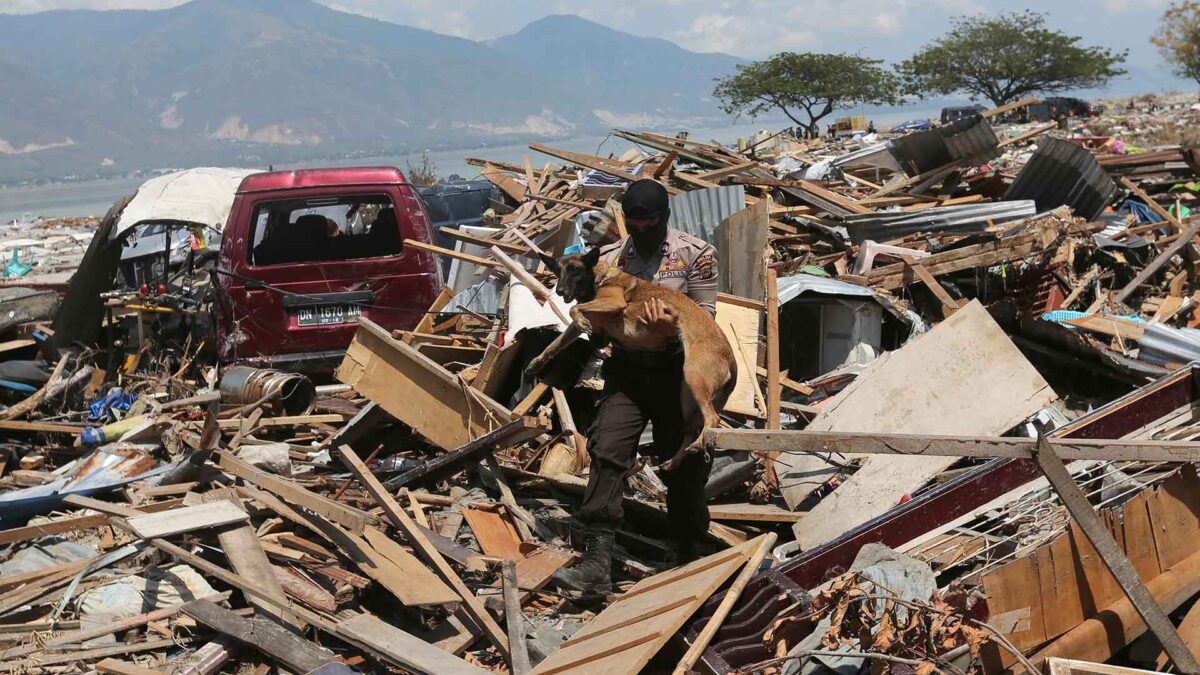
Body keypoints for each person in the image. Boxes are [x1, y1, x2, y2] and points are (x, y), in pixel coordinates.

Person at [553, 179, 719, 596]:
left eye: (650, 218)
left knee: (684, 460)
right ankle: (596, 562)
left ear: (664, 216)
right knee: (607, 451)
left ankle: (685, 552)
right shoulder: (607, 259)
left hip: (675, 371)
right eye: (635, 219)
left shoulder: (695, 254)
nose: (642, 226)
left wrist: (665, 329)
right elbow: (597, 320)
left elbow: (706, 319)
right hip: (626, 370)